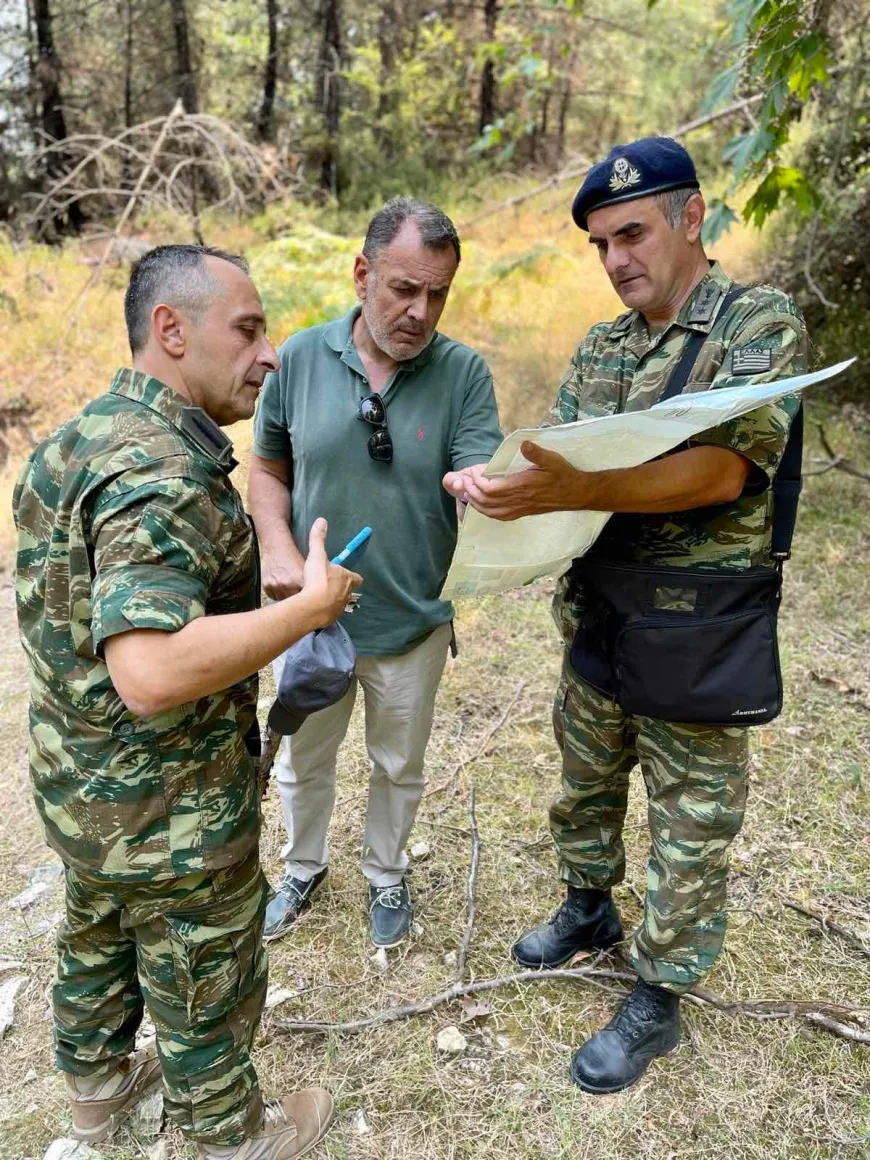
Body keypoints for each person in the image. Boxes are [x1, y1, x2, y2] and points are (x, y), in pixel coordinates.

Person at [444, 138, 807, 1093]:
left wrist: (575, 487)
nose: (615, 262)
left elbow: (724, 468)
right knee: (587, 779)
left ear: (692, 217)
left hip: (699, 623)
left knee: (689, 819)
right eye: (601, 244)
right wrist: (499, 489)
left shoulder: (754, 323)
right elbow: (561, 457)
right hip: (601, 609)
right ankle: (586, 906)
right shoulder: (605, 344)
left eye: (632, 234)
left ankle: (658, 993)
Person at [12, 244, 361, 1157]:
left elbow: (110, 608)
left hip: (80, 788)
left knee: (95, 934)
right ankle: (230, 1136)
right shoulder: (163, 470)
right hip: (168, 807)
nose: (270, 353)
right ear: (171, 329)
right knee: (205, 960)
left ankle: (98, 1097)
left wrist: (254, 606)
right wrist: (310, 613)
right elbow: (153, 668)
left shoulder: (85, 435)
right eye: (247, 329)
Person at [248, 197, 502, 948]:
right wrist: (278, 551)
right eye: (403, 288)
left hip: (411, 619)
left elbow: (477, 462)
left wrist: (476, 483)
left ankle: (387, 875)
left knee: (398, 764)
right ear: (362, 274)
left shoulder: (461, 373)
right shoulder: (298, 357)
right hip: (312, 615)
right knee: (302, 761)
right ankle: (302, 867)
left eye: (437, 293)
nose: (420, 311)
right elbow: (267, 468)